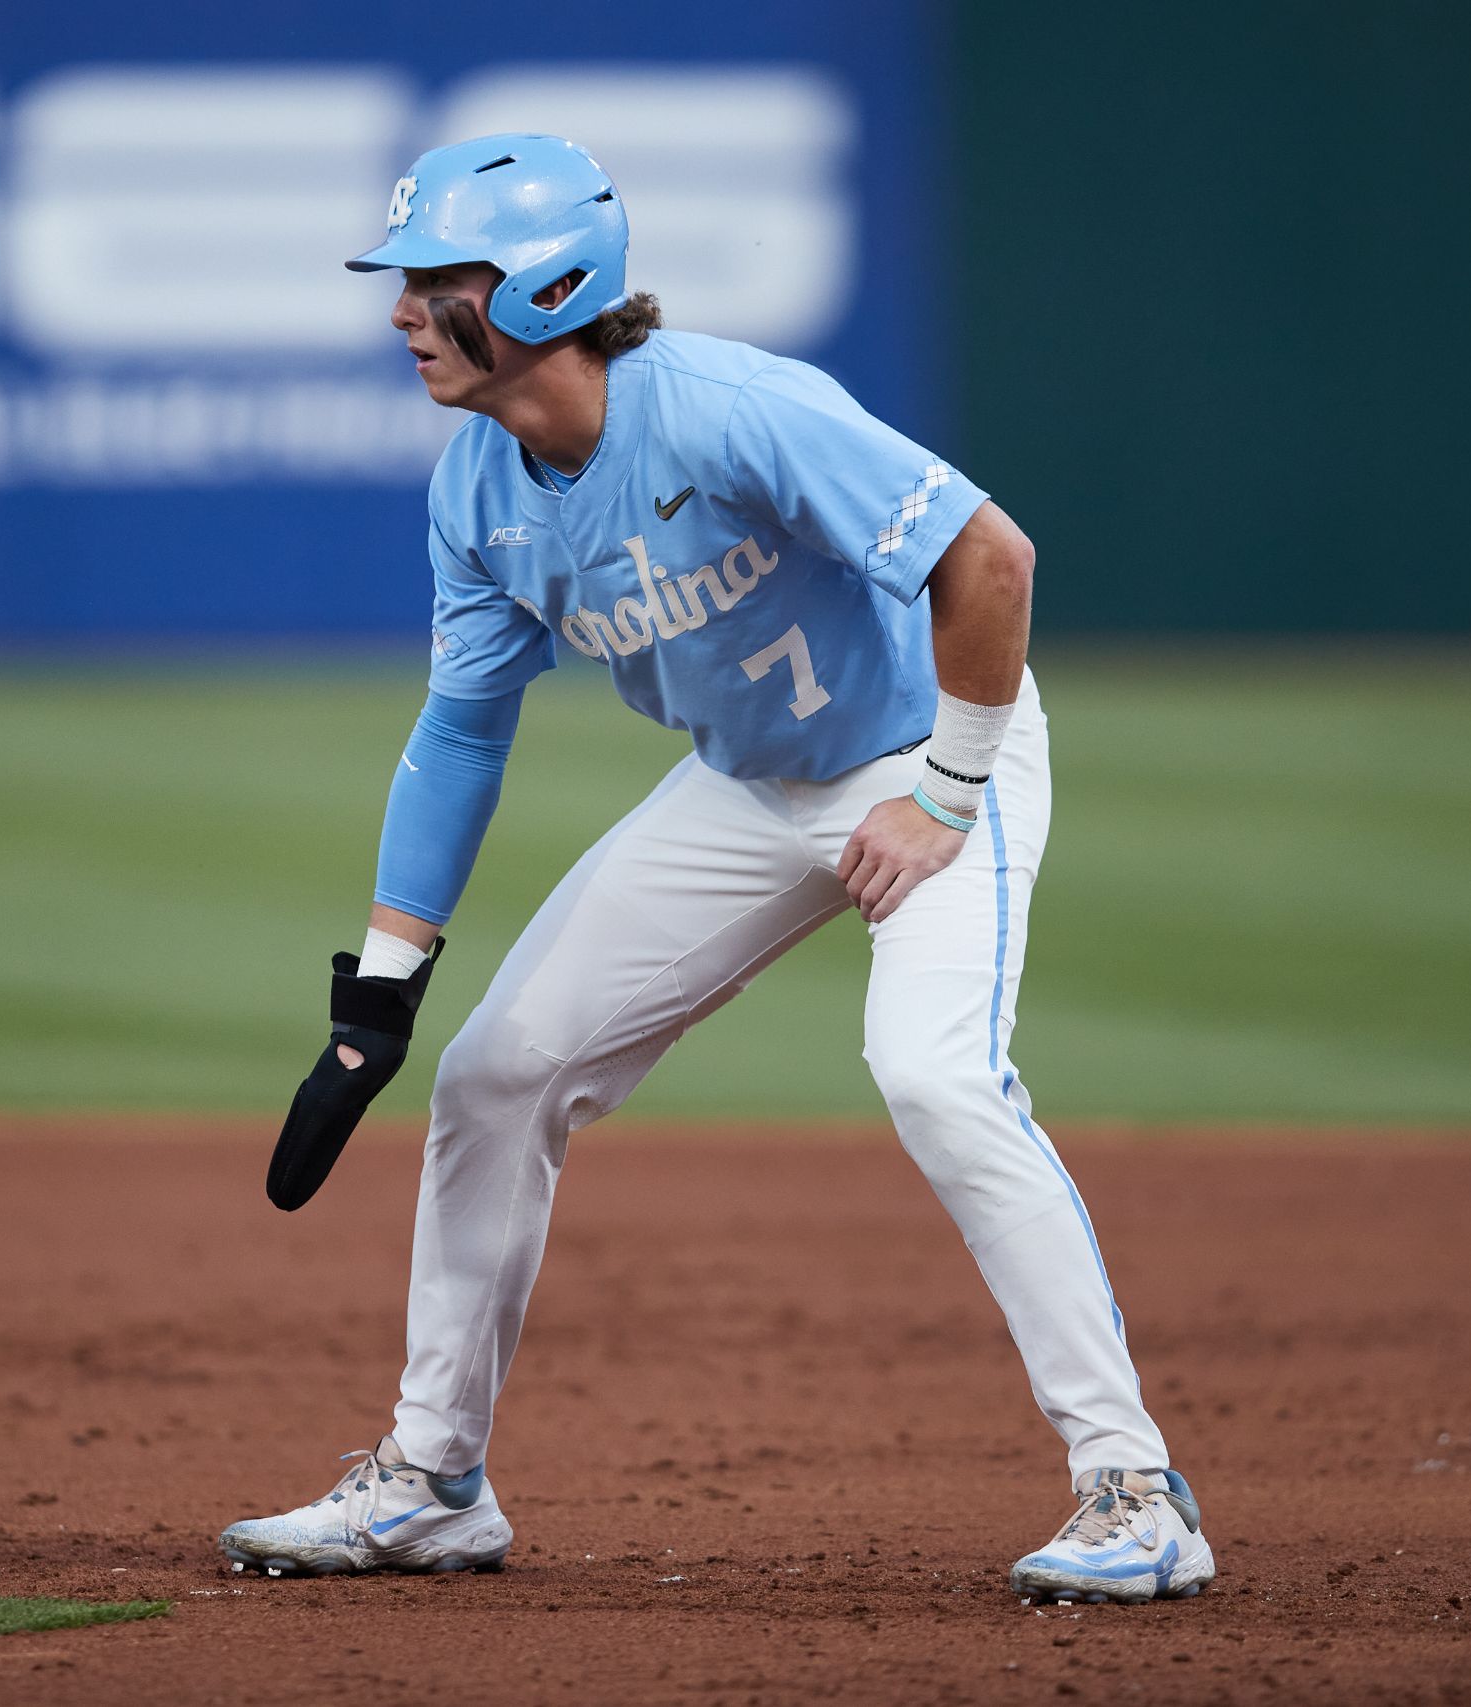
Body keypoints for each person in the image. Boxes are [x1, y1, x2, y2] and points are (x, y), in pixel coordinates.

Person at [218, 134, 1214, 1606]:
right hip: (747, 787)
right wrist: (380, 987)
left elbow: (990, 558)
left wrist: (946, 792)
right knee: (497, 1077)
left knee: (935, 1075)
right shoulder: (475, 491)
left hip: (931, 751)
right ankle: (432, 1481)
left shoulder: (734, 410)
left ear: (550, 289)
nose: (403, 313)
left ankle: (1137, 1490)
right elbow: (459, 734)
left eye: (437, 282)